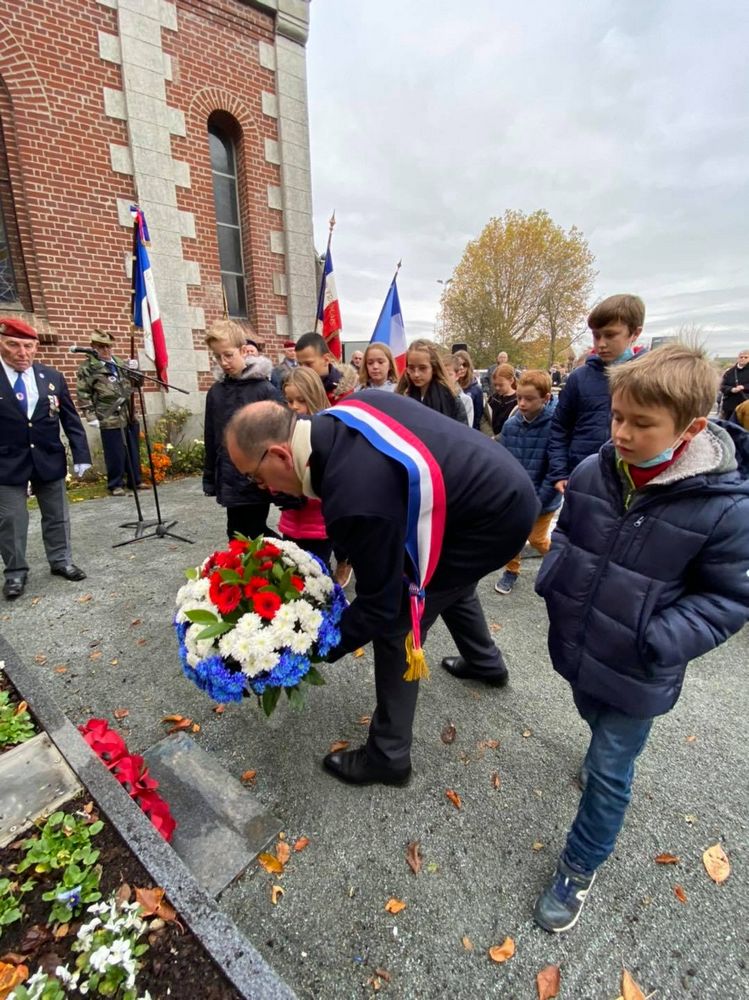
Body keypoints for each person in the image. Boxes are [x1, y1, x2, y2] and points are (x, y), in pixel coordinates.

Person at [532, 344, 749, 934]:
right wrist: (555, 578)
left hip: (640, 667)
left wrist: (657, 637)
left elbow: (728, 600)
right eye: (617, 417)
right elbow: (569, 533)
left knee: (610, 769)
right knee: (590, 714)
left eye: (641, 423)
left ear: (691, 428)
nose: (622, 433)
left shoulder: (725, 510)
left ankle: (579, 866)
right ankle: (600, 748)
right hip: (582, 644)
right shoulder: (593, 470)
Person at [225, 391, 538, 786]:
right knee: (447, 580)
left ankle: (389, 756)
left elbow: (380, 604)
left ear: (280, 455)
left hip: (492, 519)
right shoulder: (344, 415)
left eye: (255, 477)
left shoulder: (352, 496)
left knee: (401, 620)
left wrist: (313, 648)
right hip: (493, 487)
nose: (262, 489)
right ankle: (485, 662)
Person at [0, 318, 91, 598]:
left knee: (57, 515)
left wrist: (81, 454)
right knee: (11, 519)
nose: (22, 353)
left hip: (48, 457)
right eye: (13, 345)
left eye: (28, 346)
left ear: (36, 347)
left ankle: (61, 560)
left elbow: (71, 419)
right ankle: (15, 572)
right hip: (7, 462)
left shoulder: (51, 377)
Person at [547, 294, 645, 496]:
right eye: (596, 336)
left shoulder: (650, 378)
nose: (601, 344)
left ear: (635, 333)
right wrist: (559, 472)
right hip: (583, 477)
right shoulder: (579, 378)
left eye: (610, 335)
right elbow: (560, 427)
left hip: (632, 482)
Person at [202, 319, 283, 541]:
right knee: (235, 533)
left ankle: (287, 555)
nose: (224, 362)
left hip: (256, 478)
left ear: (243, 351)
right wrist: (210, 477)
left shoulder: (264, 389)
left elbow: (279, 435)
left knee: (257, 532)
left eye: (228, 355)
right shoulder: (216, 392)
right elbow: (211, 436)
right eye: (218, 357)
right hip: (229, 475)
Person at [494, 370, 561, 595]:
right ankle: (511, 571)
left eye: (529, 399)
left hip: (544, 499)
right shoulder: (511, 426)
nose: (522, 403)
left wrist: (539, 501)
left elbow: (554, 470)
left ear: (546, 398)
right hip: (517, 496)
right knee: (512, 536)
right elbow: (503, 461)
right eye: (519, 397)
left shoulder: (555, 427)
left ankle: (560, 565)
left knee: (537, 539)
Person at [76, 329, 147, 497]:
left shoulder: (120, 363)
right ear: (93, 347)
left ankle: (135, 480)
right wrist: (90, 416)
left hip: (128, 413)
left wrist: (136, 371)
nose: (106, 350)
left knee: (133, 449)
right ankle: (115, 484)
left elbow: (137, 384)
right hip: (108, 414)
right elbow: (83, 393)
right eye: (101, 347)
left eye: (108, 346)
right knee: (115, 452)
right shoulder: (88, 368)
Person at [279, 368, 332, 567]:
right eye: (289, 401)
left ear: (314, 396)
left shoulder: (325, 431)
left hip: (319, 524)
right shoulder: (285, 431)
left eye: (301, 400)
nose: (294, 406)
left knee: (318, 572)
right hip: (291, 521)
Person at [396, 339, 466, 423]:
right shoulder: (400, 397)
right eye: (411, 368)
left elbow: (461, 429)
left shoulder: (451, 400)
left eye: (422, 368)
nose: (416, 374)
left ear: (434, 368)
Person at [295, 331, 346, 404]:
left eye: (308, 364)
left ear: (326, 360)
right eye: (300, 364)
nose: (303, 370)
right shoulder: (297, 389)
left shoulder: (345, 395)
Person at [454, 349, 484, 431]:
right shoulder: (449, 385)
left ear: (469, 366)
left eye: (465, 364)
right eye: (459, 364)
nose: (462, 368)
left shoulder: (476, 389)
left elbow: (478, 417)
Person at [486, 363, 517, 435]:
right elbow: (485, 419)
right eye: (495, 385)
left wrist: (498, 438)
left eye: (501, 385)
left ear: (511, 381)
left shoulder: (517, 400)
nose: (497, 388)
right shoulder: (493, 398)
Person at [719, 349, 749, 421]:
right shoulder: (729, 372)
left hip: (746, 407)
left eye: (746, 357)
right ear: (738, 358)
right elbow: (722, 386)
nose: (743, 359)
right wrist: (731, 389)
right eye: (741, 357)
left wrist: (744, 387)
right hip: (730, 407)